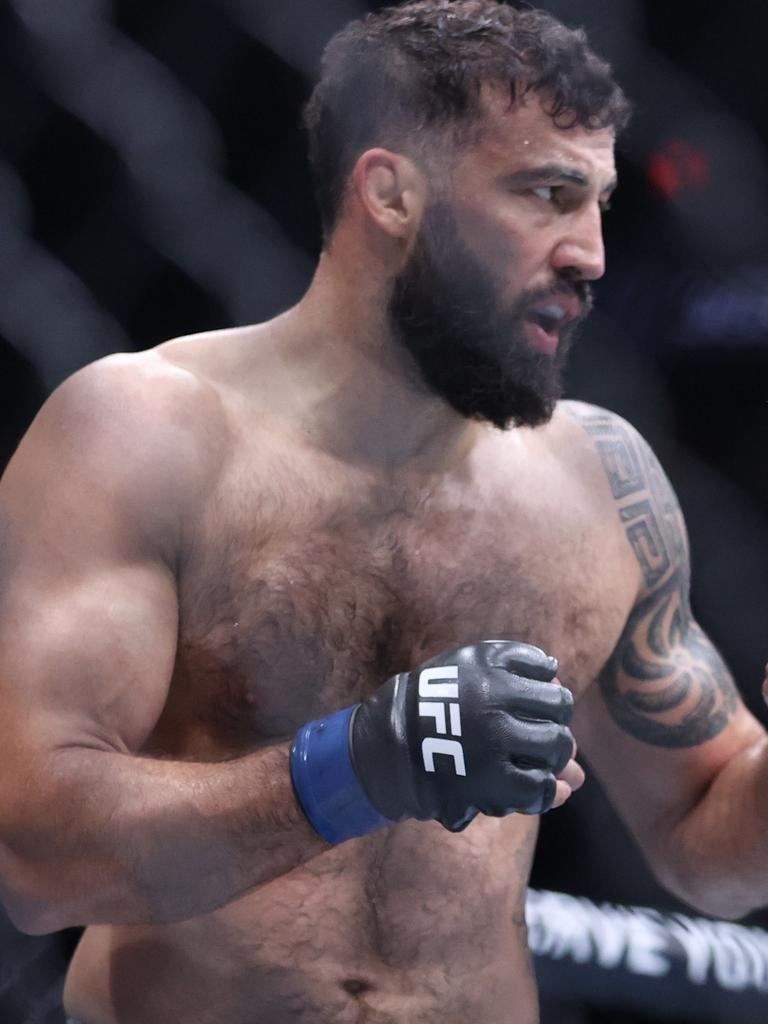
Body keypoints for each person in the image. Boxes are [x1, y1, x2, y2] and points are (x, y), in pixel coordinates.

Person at [0, 2, 764, 1022]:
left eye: (599, 204)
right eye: (547, 194)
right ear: (392, 192)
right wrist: (364, 762)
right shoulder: (143, 432)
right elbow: (34, 854)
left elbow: (711, 849)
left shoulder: (599, 476)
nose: (590, 255)